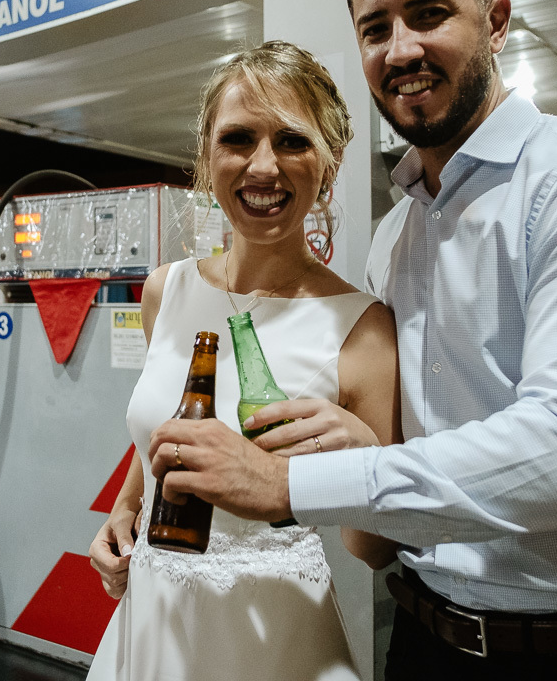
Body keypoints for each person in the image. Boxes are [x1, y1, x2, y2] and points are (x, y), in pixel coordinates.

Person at [148, 0, 557, 681]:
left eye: (430, 14)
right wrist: (361, 450)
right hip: (424, 636)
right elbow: (393, 485)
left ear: (497, 22)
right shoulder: (399, 231)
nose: (401, 49)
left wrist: (292, 482)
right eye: (376, 28)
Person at [86, 41, 401, 681]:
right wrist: (125, 511)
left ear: (331, 164)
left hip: (273, 639)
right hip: (152, 624)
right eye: (238, 139)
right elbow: (166, 437)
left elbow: (374, 551)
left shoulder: (363, 329)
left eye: (292, 141)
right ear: (207, 156)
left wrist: (367, 459)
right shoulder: (164, 291)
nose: (264, 167)